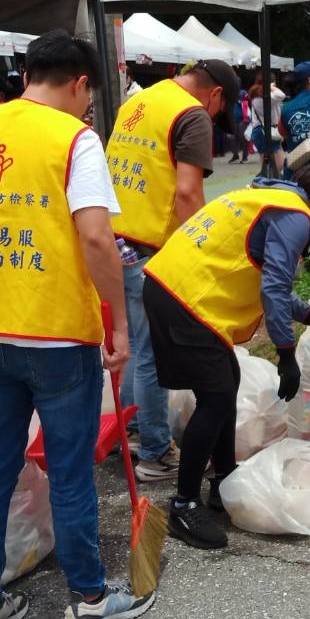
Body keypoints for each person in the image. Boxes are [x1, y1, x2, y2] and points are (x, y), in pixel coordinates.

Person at [0, 29, 148, 619]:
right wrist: (118, 323)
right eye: (88, 97)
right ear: (79, 85)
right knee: (71, 471)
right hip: (55, 332)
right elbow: (97, 239)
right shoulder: (75, 139)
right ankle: (90, 600)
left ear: (27, 74)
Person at [142, 162, 310, 548]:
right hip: (185, 299)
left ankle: (224, 481)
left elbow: (269, 280)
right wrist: (286, 353)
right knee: (216, 397)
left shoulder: (269, 195)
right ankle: (184, 504)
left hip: (174, 290)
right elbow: (274, 290)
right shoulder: (294, 215)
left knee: (226, 384)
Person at [107, 58, 239, 483]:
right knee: (150, 353)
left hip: (112, 241)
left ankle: (130, 429)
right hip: (147, 248)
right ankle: (155, 452)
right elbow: (186, 193)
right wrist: (200, 252)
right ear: (215, 94)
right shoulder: (191, 114)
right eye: (220, 109)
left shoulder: (139, 101)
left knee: (133, 343)